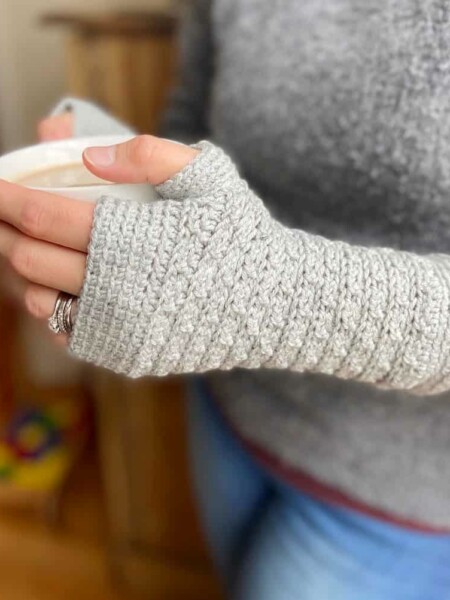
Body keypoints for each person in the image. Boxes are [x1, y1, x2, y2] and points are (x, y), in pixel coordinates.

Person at [4, 0, 450, 597]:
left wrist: (270, 295)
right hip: (228, 404)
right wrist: (112, 184)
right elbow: (194, 116)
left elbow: (256, 292)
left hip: (396, 488)